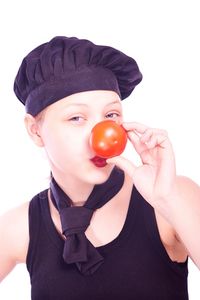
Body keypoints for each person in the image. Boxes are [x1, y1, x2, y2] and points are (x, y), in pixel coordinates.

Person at [0, 36, 200, 300]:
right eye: (76, 118)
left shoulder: (173, 197)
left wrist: (167, 199)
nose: (102, 137)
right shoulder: (17, 227)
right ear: (35, 131)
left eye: (111, 115)